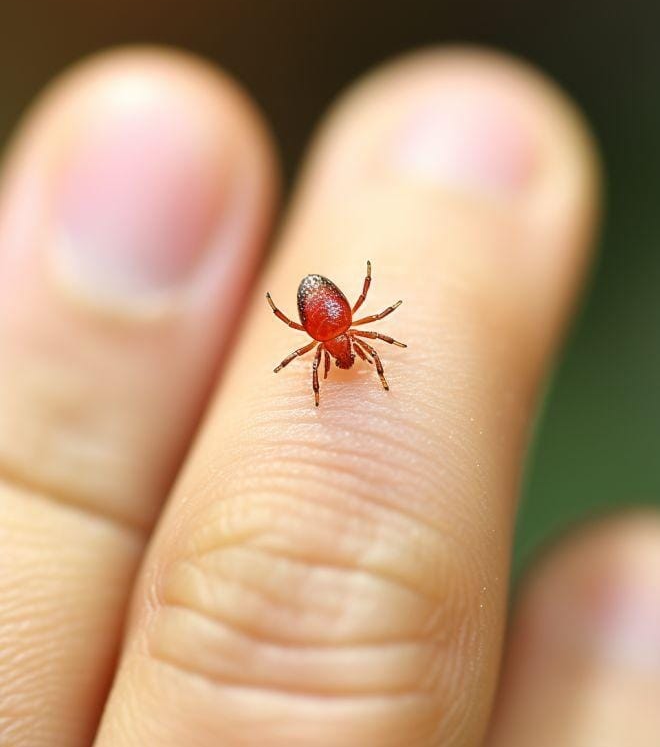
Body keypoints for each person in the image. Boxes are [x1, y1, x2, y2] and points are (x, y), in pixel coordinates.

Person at [0, 44, 654, 747]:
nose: (344, 355)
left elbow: (332, 323)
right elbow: (317, 323)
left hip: (326, 298)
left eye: (342, 350)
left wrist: (348, 342)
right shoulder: (326, 332)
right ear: (329, 336)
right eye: (339, 352)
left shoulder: (340, 333)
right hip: (325, 296)